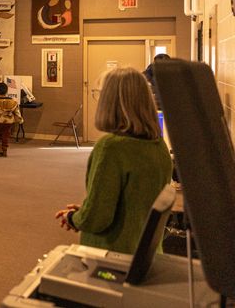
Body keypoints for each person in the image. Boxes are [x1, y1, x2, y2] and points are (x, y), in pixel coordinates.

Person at [54, 67, 172, 254]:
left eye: (99, 94)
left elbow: (97, 219)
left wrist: (73, 218)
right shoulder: (159, 146)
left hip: (111, 255)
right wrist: (84, 212)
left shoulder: (111, 148)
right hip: (144, 253)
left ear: (110, 101)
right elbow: (131, 204)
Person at [0, 82, 23, 157]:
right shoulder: (13, 102)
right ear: (7, 90)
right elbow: (17, 112)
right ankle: (4, 151)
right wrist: (20, 120)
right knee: (5, 135)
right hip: (9, 122)